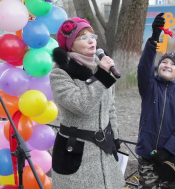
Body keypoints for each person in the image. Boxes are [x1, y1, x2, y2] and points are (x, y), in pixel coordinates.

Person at [50, 17, 125, 189]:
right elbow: (81, 105)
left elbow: (110, 107)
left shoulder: (102, 66)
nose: (91, 41)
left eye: (93, 36)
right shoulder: (60, 74)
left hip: (105, 150)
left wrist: (115, 136)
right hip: (76, 152)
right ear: (70, 45)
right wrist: (102, 77)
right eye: (83, 37)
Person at [135, 12, 175, 188]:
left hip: (170, 160)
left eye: (172, 64)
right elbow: (144, 66)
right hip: (147, 157)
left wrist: (167, 150)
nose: (167, 65)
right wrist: (154, 38)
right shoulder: (149, 86)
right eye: (164, 62)